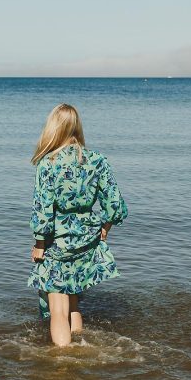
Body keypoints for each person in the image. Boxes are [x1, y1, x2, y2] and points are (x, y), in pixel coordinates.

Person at [28, 103, 128, 347]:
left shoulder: (48, 164)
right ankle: (80, 345)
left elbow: (43, 208)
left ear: (53, 129)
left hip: (58, 241)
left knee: (58, 306)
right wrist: (105, 228)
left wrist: (40, 243)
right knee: (73, 299)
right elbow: (115, 203)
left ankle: (64, 360)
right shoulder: (97, 161)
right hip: (87, 237)